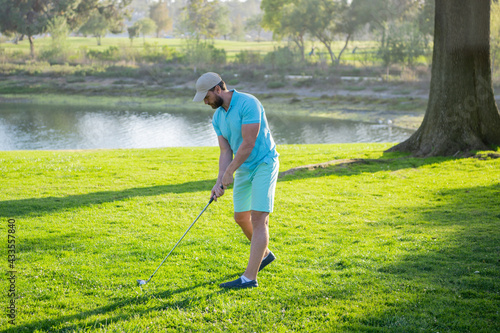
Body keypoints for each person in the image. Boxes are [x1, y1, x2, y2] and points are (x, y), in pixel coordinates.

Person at [192, 72, 279, 289]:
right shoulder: (218, 117)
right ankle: (265, 254)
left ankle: (249, 278)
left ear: (218, 89)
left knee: (259, 219)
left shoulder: (249, 103)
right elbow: (225, 150)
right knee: (241, 218)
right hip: (243, 167)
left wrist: (230, 172)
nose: (205, 101)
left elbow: (248, 143)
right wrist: (219, 180)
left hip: (263, 163)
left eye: (206, 96)